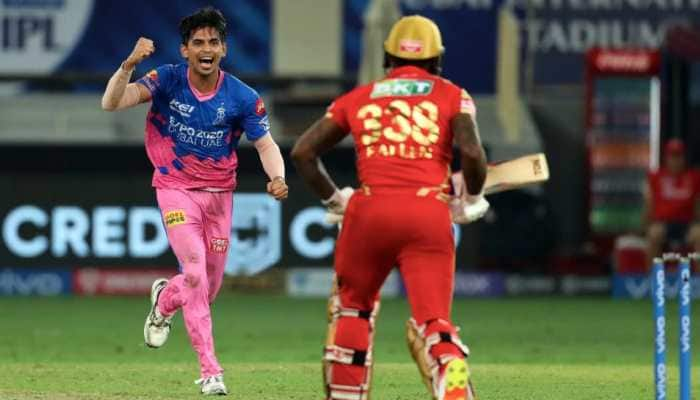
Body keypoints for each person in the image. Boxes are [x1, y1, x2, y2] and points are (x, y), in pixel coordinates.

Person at [291, 15, 487, 400]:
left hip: (369, 212)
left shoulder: (360, 97)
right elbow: (472, 153)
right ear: (437, 59)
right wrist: (472, 198)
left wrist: (336, 200)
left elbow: (303, 153)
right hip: (428, 213)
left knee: (353, 309)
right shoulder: (453, 95)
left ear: (387, 58)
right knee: (434, 321)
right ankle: (450, 373)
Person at [100, 7, 288, 396]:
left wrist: (278, 177)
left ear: (224, 49)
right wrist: (127, 65)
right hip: (175, 188)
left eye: (213, 43)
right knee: (196, 274)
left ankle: (165, 301)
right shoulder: (166, 79)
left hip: (220, 197)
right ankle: (210, 371)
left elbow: (266, 144)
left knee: (207, 287)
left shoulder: (242, 97)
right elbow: (112, 103)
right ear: (185, 49)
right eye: (198, 43)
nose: (206, 49)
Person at [645, 138, 700, 264]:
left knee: (699, 235)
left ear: (684, 158)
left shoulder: (694, 177)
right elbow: (649, 202)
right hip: (663, 224)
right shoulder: (656, 176)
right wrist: (646, 224)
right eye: (672, 157)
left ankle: (698, 280)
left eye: (679, 156)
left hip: (687, 224)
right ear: (666, 158)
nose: (675, 161)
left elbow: (698, 203)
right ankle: (652, 278)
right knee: (653, 234)